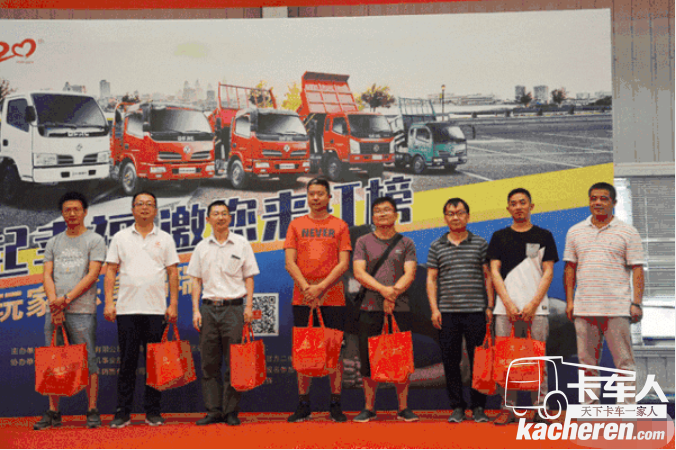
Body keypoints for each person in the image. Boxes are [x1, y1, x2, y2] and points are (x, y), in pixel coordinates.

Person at [564, 182, 645, 404]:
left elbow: (637, 269)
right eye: (593, 198)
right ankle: (590, 409)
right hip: (584, 308)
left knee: (624, 363)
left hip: (617, 308)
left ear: (614, 202)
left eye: (603, 198)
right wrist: (570, 302)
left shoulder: (628, 232)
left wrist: (636, 303)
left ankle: (626, 410)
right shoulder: (575, 231)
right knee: (586, 364)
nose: (598, 202)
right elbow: (570, 268)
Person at [104, 191, 180, 428]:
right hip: (126, 310)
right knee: (127, 363)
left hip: (156, 310)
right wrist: (108, 302)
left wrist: (173, 304)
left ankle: (153, 411)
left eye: (149, 204)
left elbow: (173, 272)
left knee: (154, 365)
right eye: (140, 204)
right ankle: (123, 412)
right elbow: (110, 270)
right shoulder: (120, 237)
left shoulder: (165, 238)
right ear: (132, 209)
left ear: (155, 210)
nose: (144, 208)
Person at [34, 192, 107, 430]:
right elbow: (47, 274)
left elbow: (92, 275)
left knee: (89, 359)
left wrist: (65, 300)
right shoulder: (53, 242)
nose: (72, 214)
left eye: (77, 209)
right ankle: (53, 412)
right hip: (54, 310)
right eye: (67, 210)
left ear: (85, 212)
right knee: (52, 361)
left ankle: (92, 410)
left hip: (82, 310)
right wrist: (54, 303)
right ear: (62, 213)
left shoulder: (95, 240)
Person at [487, 188, 558, 425]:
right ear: (508, 208)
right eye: (514, 203)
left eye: (523, 202)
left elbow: (548, 272)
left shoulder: (544, 235)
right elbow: (494, 272)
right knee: (506, 361)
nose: (518, 207)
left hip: (536, 309)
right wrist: (508, 303)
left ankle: (540, 407)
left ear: (531, 206)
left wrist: (533, 303)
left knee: (538, 359)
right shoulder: (499, 236)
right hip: (504, 310)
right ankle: (507, 408)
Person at [284, 177, 351, 423]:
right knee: (304, 351)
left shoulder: (340, 226)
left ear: (329, 196)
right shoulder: (296, 225)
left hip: (333, 298)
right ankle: (304, 404)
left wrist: (321, 287)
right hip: (302, 299)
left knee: (335, 353)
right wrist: (306, 288)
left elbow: (343, 264)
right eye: (311, 193)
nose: (315, 198)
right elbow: (289, 262)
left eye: (320, 193)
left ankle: (335, 404)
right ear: (307, 196)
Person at [188, 200, 259, 426]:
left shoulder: (241, 244)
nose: (220, 217)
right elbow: (196, 280)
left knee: (235, 363)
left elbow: (249, 277)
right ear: (208, 219)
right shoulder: (201, 247)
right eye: (216, 214)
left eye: (224, 213)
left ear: (230, 218)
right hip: (208, 309)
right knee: (209, 364)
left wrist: (248, 307)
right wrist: (195, 310)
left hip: (234, 309)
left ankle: (230, 412)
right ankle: (213, 411)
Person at [426, 198, 493, 424]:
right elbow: (431, 279)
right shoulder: (437, 245)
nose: (455, 217)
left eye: (460, 213)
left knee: (478, 362)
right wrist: (434, 309)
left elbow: (488, 277)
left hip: (476, 311)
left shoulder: (480, 243)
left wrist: (489, 306)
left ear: (468, 216)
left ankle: (478, 407)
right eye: (450, 213)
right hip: (447, 312)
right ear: (445, 218)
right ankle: (457, 407)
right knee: (450, 361)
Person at [352, 196, 418, 423]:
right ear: (372, 217)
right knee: (368, 358)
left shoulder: (406, 243)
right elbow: (359, 272)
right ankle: (369, 408)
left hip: (400, 308)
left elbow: (410, 273)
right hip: (369, 307)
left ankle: (403, 408)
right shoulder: (363, 241)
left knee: (401, 356)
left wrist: (394, 293)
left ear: (396, 215)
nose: (382, 214)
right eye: (377, 211)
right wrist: (384, 291)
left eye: (387, 210)